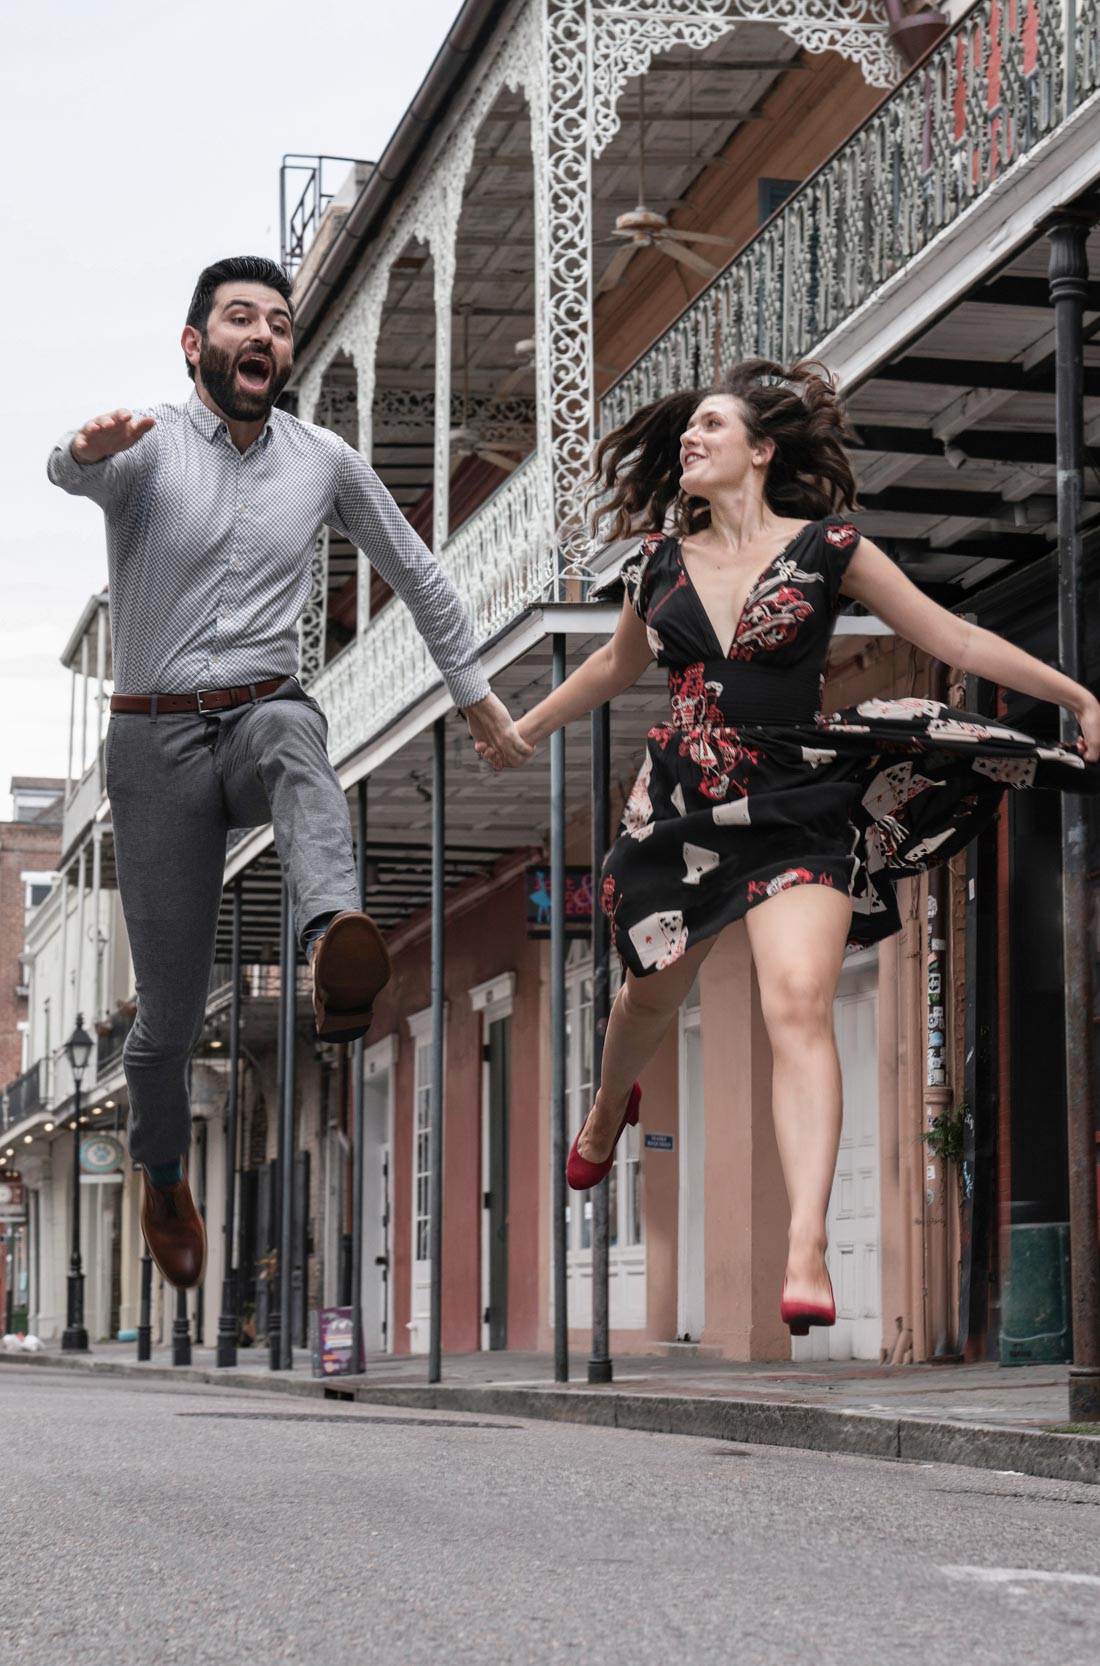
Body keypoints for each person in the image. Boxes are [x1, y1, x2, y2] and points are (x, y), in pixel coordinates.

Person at [476, 358, 1100, 1336]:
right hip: (682, 801)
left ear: (759, 451)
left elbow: (950, 635)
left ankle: (804, 1243)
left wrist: (1069, 693)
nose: (689, 438)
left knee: (798, 1003)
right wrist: (523, 729)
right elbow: (611, 663)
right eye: (686, 429)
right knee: (649, 993)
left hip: (796, 798)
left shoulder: (829, 548)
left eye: (710, 426)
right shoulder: (653, 563)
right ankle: (606, 1110)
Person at [49, 254, 530, 1291]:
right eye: (238, 318)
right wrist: (77, 450)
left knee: (295, 737)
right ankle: (165, 1173)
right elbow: (73, 472)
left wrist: (474, 693)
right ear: (196, 345)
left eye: (277, 320)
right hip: (153, 746)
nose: (262, 332)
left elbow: (420, 574)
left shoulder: (323, 460)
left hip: (256, 714)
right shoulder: (145, 447)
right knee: (165, 1025)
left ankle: (332, 942)